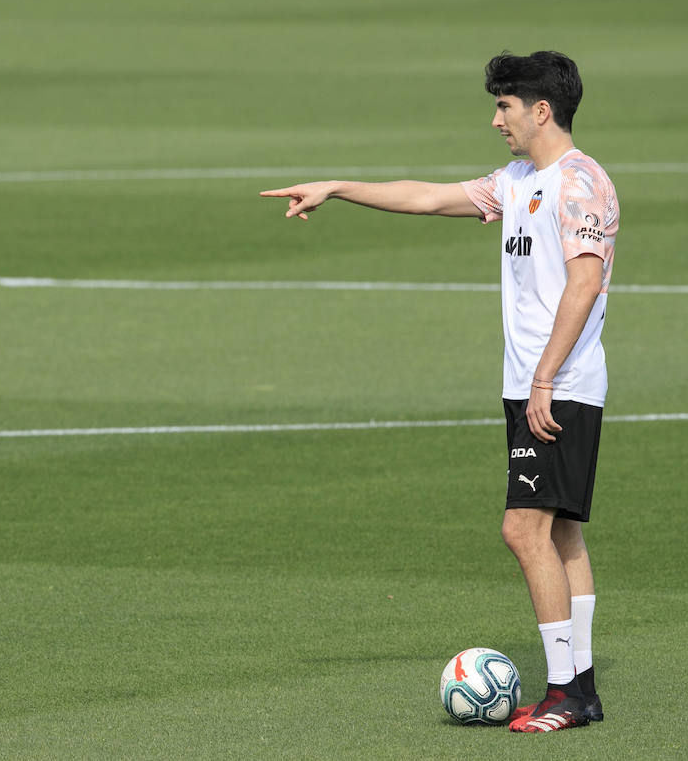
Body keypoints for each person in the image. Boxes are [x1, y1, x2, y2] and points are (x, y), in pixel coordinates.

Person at [260, 51, 616, 732]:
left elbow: (584, 282)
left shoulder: (579, 184)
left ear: (540, 109)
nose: (495, 120)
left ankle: (566, 691)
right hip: (535, 384)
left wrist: (544, 379)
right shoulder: (519, 181)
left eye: (505, 107)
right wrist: (337, 185)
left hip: (559, 383)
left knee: (523, 528)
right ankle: (582, 686)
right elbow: (426, 196)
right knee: (561, 531)